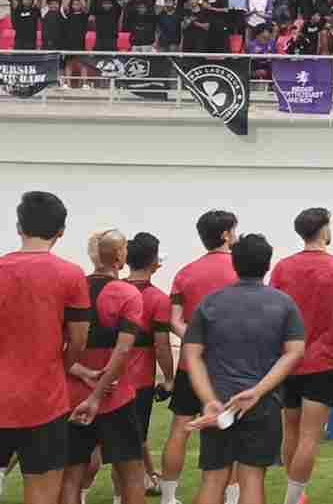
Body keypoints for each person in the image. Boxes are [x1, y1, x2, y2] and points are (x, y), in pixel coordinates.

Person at [182, 234, 306, 504]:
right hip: (262, 404)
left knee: (214, 478)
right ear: (267, 265)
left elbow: (192, 355)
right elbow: (295, 352)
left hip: (222, 401)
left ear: (235, 265)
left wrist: (209, 400)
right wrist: (258, 391)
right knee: (252, 478)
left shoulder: (211, 303)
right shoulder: (284, 304)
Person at [0, 192, 90, 504]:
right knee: (41, 496)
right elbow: (78, 340)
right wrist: (60, 367)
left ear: (18, 227)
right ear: (61, 232)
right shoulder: (71, 274)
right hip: (45, 400)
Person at [270, 207, 333, 504]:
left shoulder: (282, 268)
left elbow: (273, 314)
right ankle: (292, 499)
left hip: (288, 359)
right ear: (323, 229)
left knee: (290, 428)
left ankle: (297, 494)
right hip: (322, 359)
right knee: (310, 435)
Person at [62, 230, 147, 504]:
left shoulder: (72, 290)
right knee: (131, 475)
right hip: (115, 395)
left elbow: (58, 347)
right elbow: (123, 349)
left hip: (73, 395)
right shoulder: (127, 293)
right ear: (121, 257)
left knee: (71, 476)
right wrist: (98, 392)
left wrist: (83, 373)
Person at [161, 210, 241, 504]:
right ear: (225, 234)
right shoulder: (240, 271)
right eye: (234, 230)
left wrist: (195, 341)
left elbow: (174, 319)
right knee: (230, 431)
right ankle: (231, 499)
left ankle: (168, 498)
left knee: (180, 428)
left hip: (189, 364)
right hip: (227, 368)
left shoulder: (185, 272)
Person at [126, 232, 175, 494]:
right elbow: (162, 345)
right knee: (131, 442)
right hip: (139, 381)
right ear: (155, 263)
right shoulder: (157, 298)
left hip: (105, 377)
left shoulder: (113, 290)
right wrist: (168, 378)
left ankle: (147, 477)